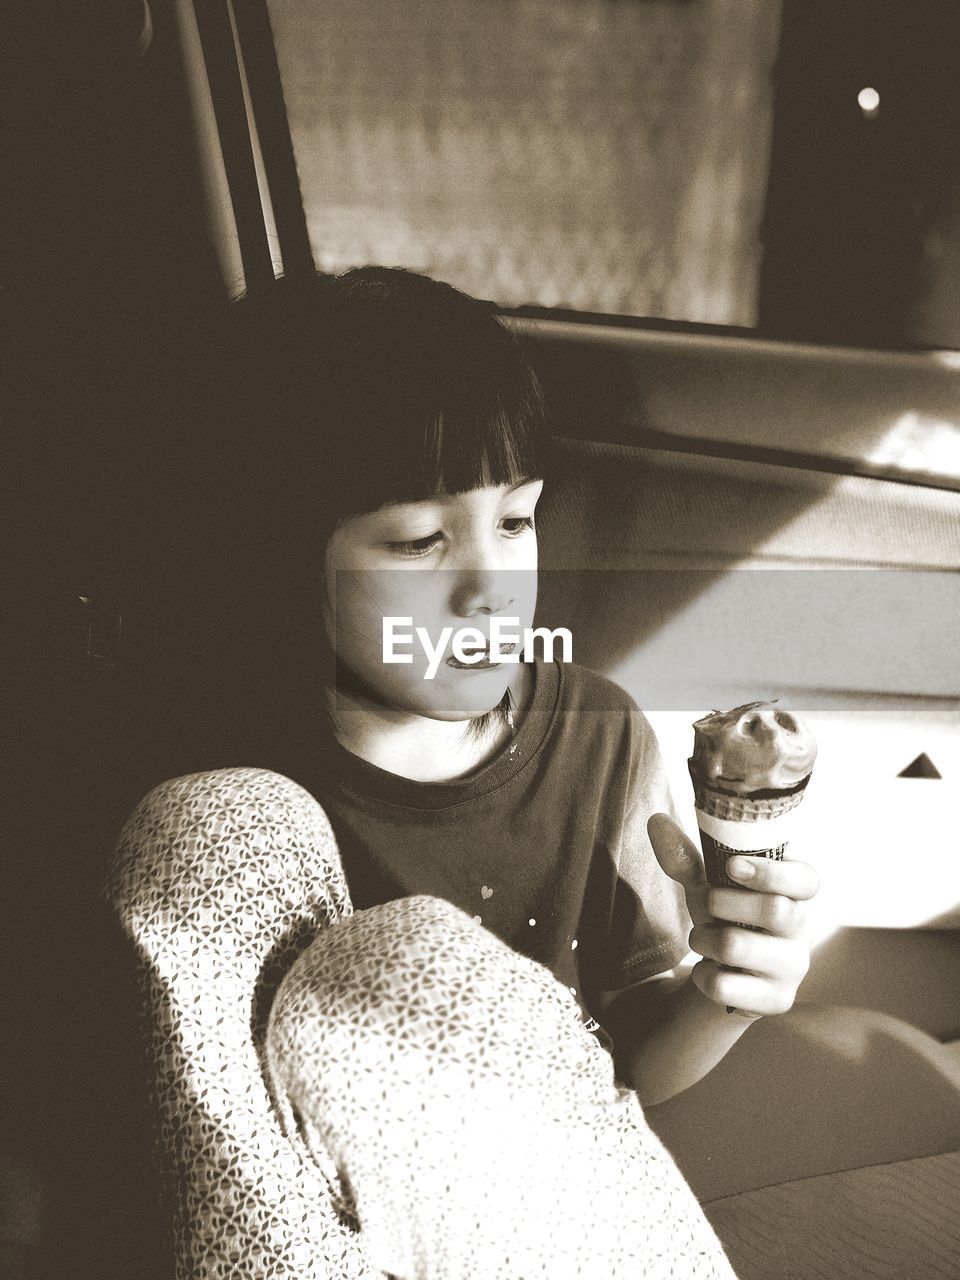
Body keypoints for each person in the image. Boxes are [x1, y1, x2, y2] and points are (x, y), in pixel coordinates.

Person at [224, 265, 818, 1106]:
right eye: (418, 542)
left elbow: (629, 1062)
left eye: (514, 520)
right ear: (282, 561)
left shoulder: (599, 739)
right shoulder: (242, 800)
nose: (491, 588)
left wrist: (725, 993)